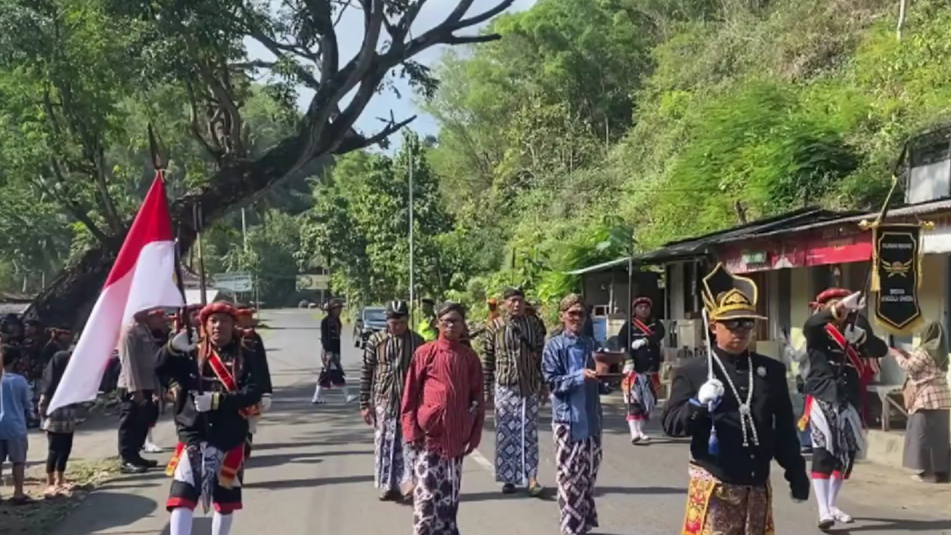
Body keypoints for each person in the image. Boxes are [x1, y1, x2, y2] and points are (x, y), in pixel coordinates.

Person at [663, 263, 809, 535]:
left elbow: (784, 431)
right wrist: (697, 404)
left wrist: (796, 474)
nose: (740, 330)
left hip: (756, 484)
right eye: (733, 323)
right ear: (714, 326)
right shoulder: (693, 371)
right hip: (715, 482)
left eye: (747, 323)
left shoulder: (770, 371)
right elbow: (672, 424)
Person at [156, 302, 266, 535]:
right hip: (193, 432)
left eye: (224, 321)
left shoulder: (246, 354)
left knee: (225, 502)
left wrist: (217, 401)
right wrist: (172, 348)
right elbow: (159, 368)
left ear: (233, 324)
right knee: (182, 496)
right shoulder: (190, 352)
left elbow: (254, 389)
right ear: (205, 325)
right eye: (213, 321)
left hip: (230, 434)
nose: (218, 326)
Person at [800, 288, 887, 529]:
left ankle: (831, 504)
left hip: (849, 398)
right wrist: (835, 310)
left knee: (846, 456)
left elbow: (881, 350)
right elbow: (812, 323)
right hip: (823, 396)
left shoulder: (856, 326)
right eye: (836, 305)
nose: (843, 310)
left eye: (845, 305)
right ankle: (822, 509)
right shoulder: (818, 330)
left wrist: (862, 338)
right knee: (823, 452)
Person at [401, 302, 484, 535]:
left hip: (456, 439)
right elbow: (410, 394)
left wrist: (474, 434)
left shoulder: (469, 357)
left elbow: (478, 397)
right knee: (426, 497)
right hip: (428, 439)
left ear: (462, 325)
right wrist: (411, 430)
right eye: (446, 320)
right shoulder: (424, 353)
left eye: (455, 321)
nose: (450, 325)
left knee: (449, 500)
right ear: (437, 323)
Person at [542, 294, 607, 535]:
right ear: (562, 316)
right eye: (572, 313)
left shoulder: (591, 344)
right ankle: (570, 528)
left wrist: (611, 376)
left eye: (581, 314)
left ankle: (583, 525)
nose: (577, 318)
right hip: (567, 421)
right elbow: (553, 382)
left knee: (588, 477)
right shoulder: (554, 346)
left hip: (592, 419)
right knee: (569, 479)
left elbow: (601, 377)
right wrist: (579, 376)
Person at [482, 287, 547, 496]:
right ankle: (508, 478)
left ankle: (532, 478)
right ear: (504, 304)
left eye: (520, 300)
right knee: (506, 433)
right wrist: (486, 391)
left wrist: (544, 384)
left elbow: (540, 355)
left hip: (529, 386)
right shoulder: (494, 327)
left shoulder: (533, 325)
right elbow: (488, 360)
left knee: (529, 433)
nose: (516, 305)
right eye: (512, 301)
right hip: (505, 387)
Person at [360, 300, 424, 502]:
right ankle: (388, 486)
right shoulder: (375, 341)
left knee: (410, 445)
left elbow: (425, 373)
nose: (397, 327)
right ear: (387, 321)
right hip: (384, 401)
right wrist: (364, 403)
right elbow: (366, 372)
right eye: (393, 322)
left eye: (402, 322)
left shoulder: (417, 341)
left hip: (411, 402)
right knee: (386, 445)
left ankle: (409, 485)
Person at [891, 321, 951, 484]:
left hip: (926, 399)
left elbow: (910, 368)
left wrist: (897, 355)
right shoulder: (942, 353)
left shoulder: (924, 350)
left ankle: (927, 473)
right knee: (939, 438)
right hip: (943, 399)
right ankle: (942, 472)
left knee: (922, 436)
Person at [117, 309, 165, 473]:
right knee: (129, 424)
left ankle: (135, 454)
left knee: (142, 422)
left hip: (147, 384)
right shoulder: (129, 331)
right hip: (132, 386)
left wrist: (156, 388)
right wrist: (134, 389)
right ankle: (126, 458)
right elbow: (128, 363)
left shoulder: (143, 329)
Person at [617, 296, 666, 444]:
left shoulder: (655, 324)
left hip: (650, 369)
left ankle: (641, 429)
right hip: (634, 369)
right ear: (635, 310)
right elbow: (620, 342)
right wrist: (627, 359)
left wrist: (645, 340)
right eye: (640, 307)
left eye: (646, 307)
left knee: (649, 402)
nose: (643, 310)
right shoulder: (629, 326)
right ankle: (634, 432)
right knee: (633, 401)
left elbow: (660, 334)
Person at [39, 349, 77, 499]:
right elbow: (42, 404)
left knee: (66, 449)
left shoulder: (71, 381)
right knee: (54, 450)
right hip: (55, 422)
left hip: (68, 420)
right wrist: (44, 418)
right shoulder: (50, 384)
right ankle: (50, 481)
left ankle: (60, 479)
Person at [236, 307, 272, 459]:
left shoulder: (255, 338)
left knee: (249, 424)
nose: (248, 320)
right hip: (230, 390)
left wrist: (266, 391)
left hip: (250, 389)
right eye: (244, 316)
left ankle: (244, 454)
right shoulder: (229, 338)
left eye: (249, 316)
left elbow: (261, 365)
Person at [0, 345, 32, 505]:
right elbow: (27, 404)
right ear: (14, 361)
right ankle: (18, 493)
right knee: (18, 461)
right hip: (15, 427)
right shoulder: (20, 381)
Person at [313, 299, 354, 404]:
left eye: (340, 308)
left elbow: (337, 339)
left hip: (335, 351)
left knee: (325, 375)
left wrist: (338, 354)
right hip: (328, 352)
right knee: (337, 374)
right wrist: (329, 352)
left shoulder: (337, 321)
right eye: (337, 309)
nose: (339, 311)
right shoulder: (325, 322)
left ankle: (316, 397)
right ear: (332, 309)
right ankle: (347, 396)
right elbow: (325, 338)